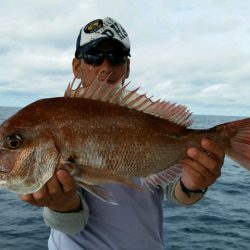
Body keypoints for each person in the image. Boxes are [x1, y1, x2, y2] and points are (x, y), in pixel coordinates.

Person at [20, 17, 225, 250]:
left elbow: (177, 194)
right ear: (77, 67)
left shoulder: (147, 120)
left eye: (116, 58)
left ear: (127, 68)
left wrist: (194, 185)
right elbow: (72, 224)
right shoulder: (56, 122)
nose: (106, 67)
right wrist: (62, 205)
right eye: (94, 57)